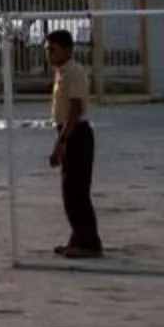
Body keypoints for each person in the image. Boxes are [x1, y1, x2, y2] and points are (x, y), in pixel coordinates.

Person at [47, 29, 103, 259]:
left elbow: (75, 110)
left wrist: (61, 143)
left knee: (76, 192)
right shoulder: (61, 72)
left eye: (53, 49)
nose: (49, 54)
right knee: (71, 191)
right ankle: (78, 238)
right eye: (47, 50)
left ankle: (90, 244)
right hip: (67, 131)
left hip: (76, 133)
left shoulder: (74, 72)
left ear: (67, 50)